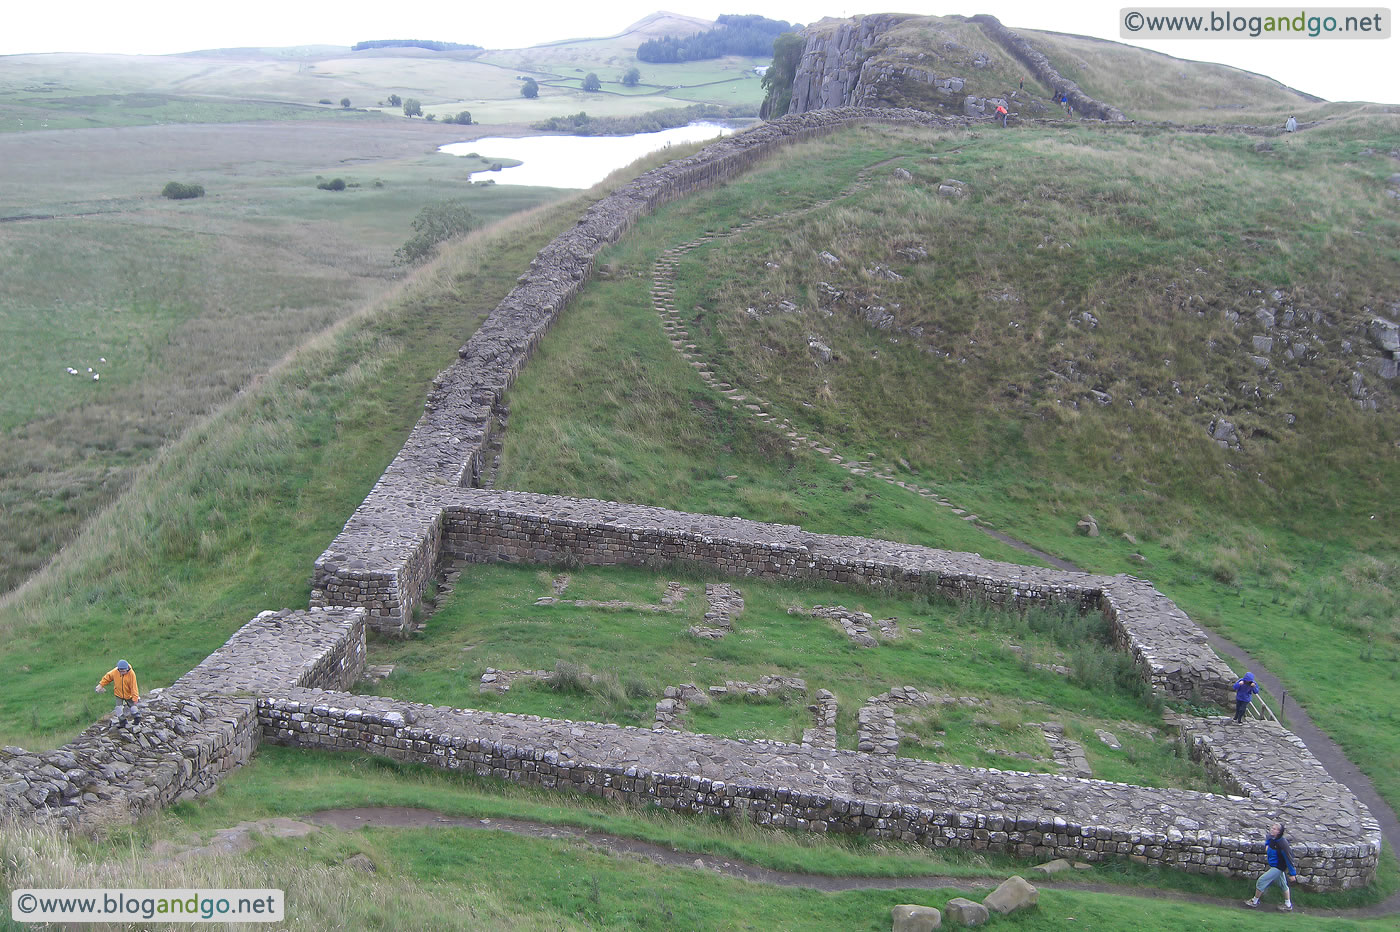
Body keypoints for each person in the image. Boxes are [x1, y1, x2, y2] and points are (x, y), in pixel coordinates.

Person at [1245, 822, 1298, 911]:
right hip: (1275, 866)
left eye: (1274, 829)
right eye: (1272, 828)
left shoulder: (1282, 843)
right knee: (1283, 885)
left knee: (1261, 881)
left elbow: (1289, 859)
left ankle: (1254, 901)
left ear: (1279, 832)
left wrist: (1292, 874)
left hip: (1278, 867)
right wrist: (1267, 845)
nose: (1272, 830)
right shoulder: (1272, 838)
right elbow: (1268, 841)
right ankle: (1288, 905)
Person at [96, 659, 141, 728]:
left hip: (129, 694)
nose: (122, 673)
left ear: (127, 669)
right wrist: (101, 685)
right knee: (118, 709)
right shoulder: (115, 672)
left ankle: (137, 718)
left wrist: (135, 698)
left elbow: (134, 687)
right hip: (118, 694)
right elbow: (107, 677)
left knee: (133, 707)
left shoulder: (131, 674)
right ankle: (122, 722)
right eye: (120, 671)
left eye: (124, 671)